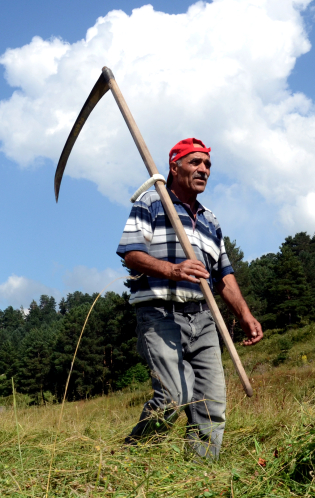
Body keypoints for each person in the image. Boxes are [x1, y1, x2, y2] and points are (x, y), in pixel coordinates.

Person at [116, 138, 263, 459]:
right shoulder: (152, 202)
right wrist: (173, 269)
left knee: (211, 406)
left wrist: (244, 315)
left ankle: (199, 478)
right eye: (195, 162)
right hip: (160, 313)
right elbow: (131, 254)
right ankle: (127, 460)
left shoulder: (211, 220)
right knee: (172, 397)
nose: (204, 170)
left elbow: (224, 275)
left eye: (207, 164)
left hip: (205, 319)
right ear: (174, 167)